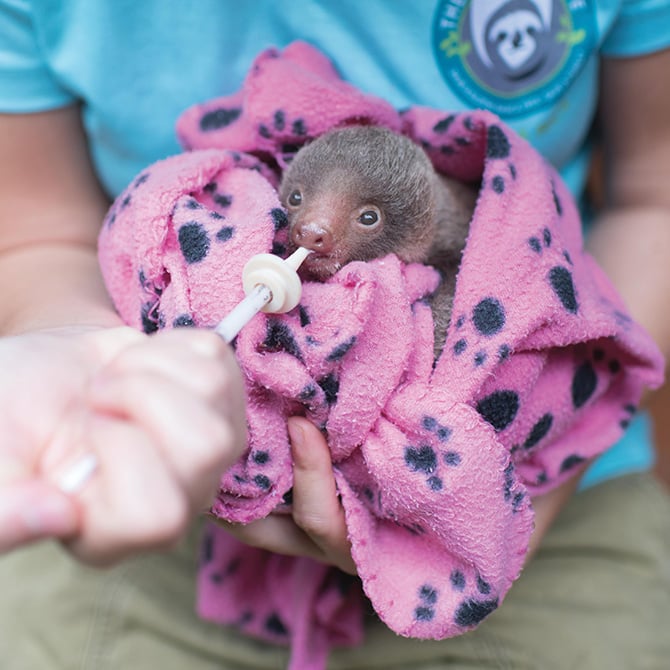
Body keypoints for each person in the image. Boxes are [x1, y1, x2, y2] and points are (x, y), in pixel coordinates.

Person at [0, 1, 669, 668]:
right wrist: (87, 352)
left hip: (542, 492)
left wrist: (520, 486)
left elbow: (655, 199)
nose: (311, 234)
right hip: (153, 469)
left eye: (363, 219)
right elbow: (40, 233)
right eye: (297, 209)